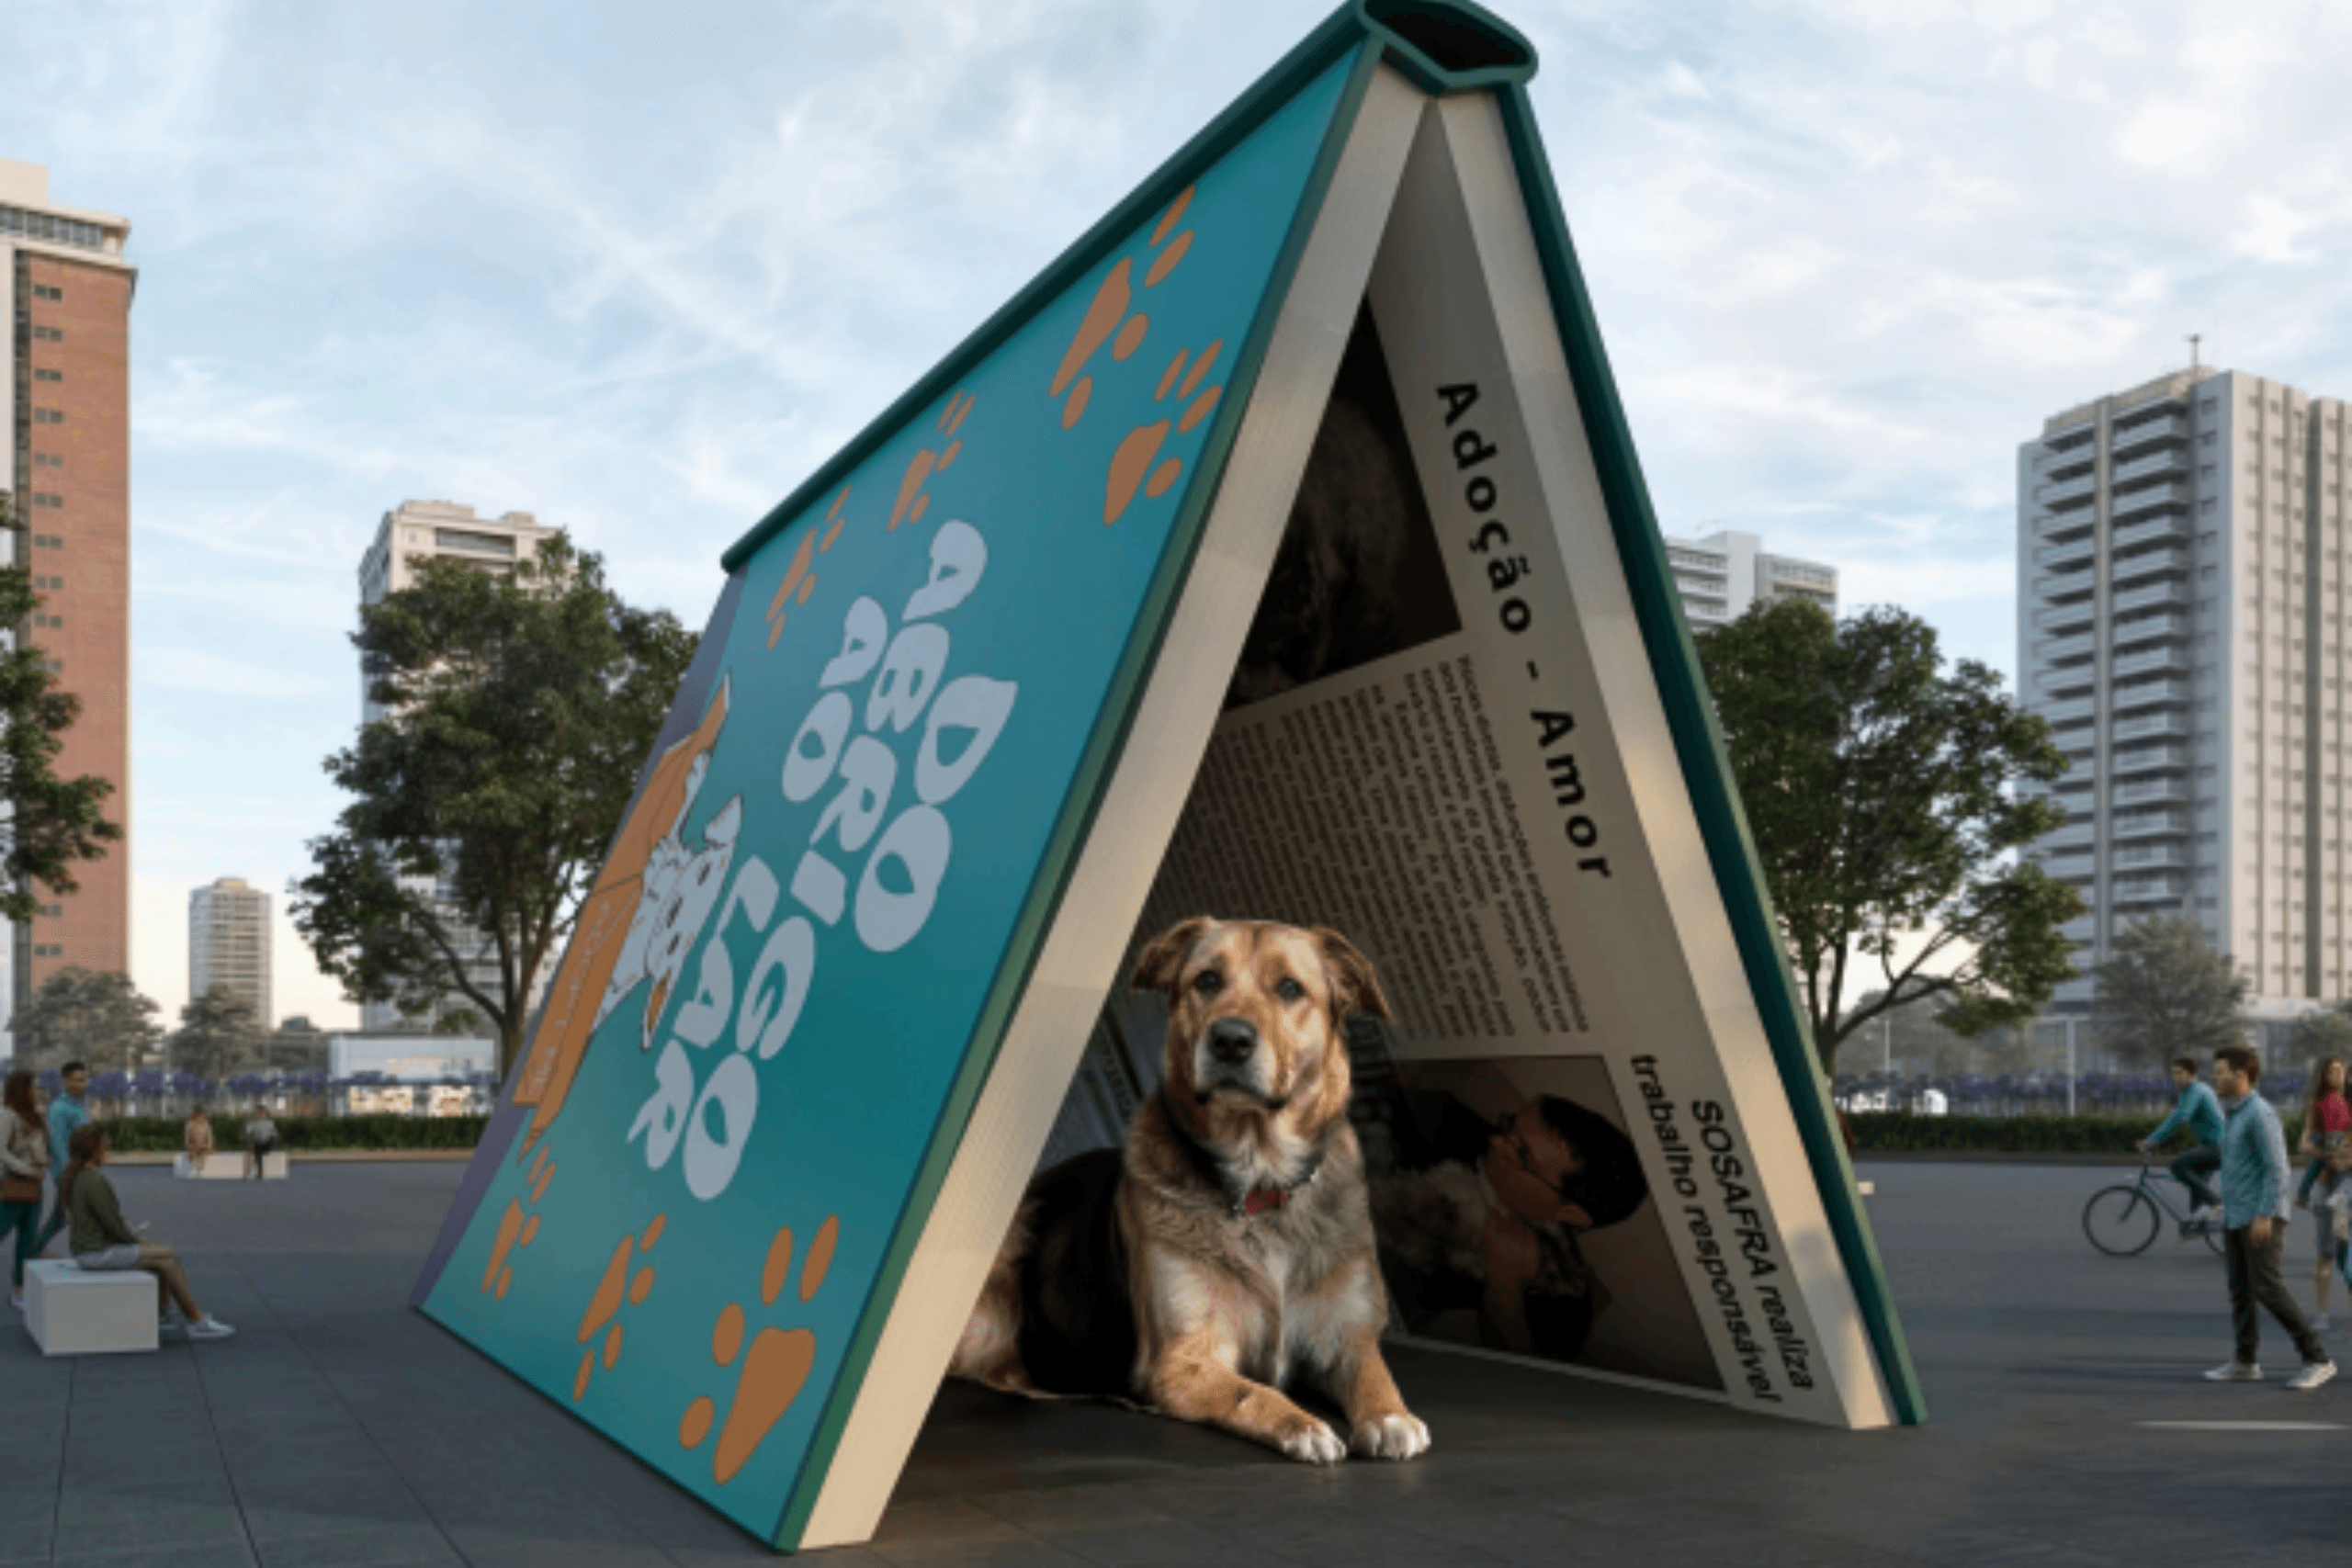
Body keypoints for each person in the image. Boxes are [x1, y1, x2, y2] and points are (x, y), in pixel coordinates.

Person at [1368, 1085, 1649, 1361]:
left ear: (1570, 1212)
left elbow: (1517, 1378)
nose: (1495, 1141)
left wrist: (1504, 1281)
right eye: (1508, 1124)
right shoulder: (1447, 1122)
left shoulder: (1563, 1297)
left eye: (1521, 1154)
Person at [2204, 1043, 2332, 1389]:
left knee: (2268, 1288)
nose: (2214, 1078)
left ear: (2241, 1075)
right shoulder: (2233, 1114)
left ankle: (2317, 1359)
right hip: (2235, 1215)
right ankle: (2245, 1361)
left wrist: (2264, 1214)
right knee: (2241, 1291)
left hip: (2260, 1217)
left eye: (2220, 1072)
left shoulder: (2260, 1113)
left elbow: (2276, 1168)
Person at [59, 1122, 234, 1340]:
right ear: (94, 1149)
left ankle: (163, 1315)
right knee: (167, 1256)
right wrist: (137, 1241)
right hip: (96, 1254)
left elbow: (107, 1225)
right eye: (106, 1145)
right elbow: (114, 1226)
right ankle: (196, 1320)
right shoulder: (93, 1182)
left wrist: (138, 1242)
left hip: (89, 1250)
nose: (108, 1149)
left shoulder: (79, 1177)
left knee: (162, 1254)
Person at [2293, 1055, 2352, 1332]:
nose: (2338, 1074)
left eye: (2342, 1070)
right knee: (2326, 1254)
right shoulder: (2318, 1106)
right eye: (2333, 1071)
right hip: (2327, 1183)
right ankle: (2322, 1314)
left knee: (2343, 1255)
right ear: (2324, 1075)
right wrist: (2323, 1152)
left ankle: (2341, 1206)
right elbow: (2303, 1143)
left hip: (2345, 1179)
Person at [2140, 1054, 2225, 1227]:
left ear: (2191, 1073)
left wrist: (2152, 1141)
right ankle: (2196, 1225)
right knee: (2197, 1187)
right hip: (2213, 1145)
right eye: (2174, 1073)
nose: (2175, 1077)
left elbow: (2180, 1118)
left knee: (2177, 1165)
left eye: (2180, 1073)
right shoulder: (2193, 1091)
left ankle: (2217, 1202)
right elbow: (2176, 1117)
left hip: (2219, 1147)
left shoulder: (2195, 1091)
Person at [30, 1061, 90, 1258]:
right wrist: (68, 1175)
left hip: (81, 1170)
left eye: (84, 1079)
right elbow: (57, 1145)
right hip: (69, 1173)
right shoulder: (58, 1109)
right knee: (78, 1214)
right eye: (77, 1080)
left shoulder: (78, 1106)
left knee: (61, 1217)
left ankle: (34, 1250)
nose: (82, 1084)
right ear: (65, 1081)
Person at [1, 1069, 49, 1310]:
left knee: (27, 1241)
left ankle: (20, 1289)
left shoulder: (34, 1116)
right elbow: (1, 1152)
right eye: (32, 1086)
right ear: (21, 1089)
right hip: (14, 1184)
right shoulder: (7, 1115)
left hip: (34, 1186)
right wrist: (26, 1169)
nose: (36, 1091)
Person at [243, 1104, 279, 1180]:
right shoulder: (252, 1123)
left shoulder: (270, 1123)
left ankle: (256, 1171)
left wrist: (274, 1144)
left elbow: (275, 1135)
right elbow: (247, 1132)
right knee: (257, 1150)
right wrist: (250, 1140)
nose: (261, 1114)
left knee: (258, 1150)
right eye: (260, 1113)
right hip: (256, 1143)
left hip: (266, 1143)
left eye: (263, 1113)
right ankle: (257, 1171)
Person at [183, 1104, 215, 1174]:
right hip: (194, 1147)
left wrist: (205, 1146)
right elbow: (187, 1141)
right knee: (193, 1152)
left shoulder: (206, 1125)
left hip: (204, 1147)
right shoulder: (189, 1125)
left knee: (205, 1151)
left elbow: (210, 1140)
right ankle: (197, 1163)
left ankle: (200, 1163)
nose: (200, 1117)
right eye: (198, 1115)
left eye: (201, 1115)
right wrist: (192, 1146)